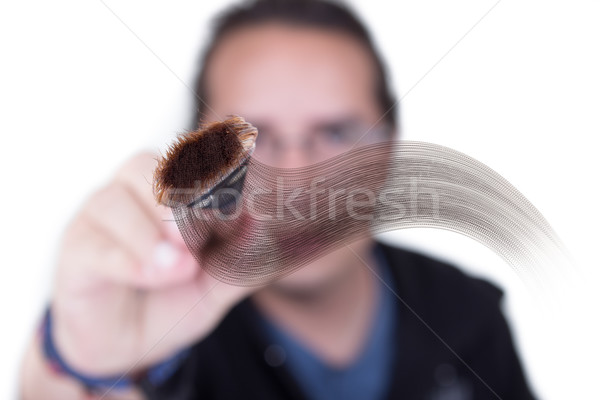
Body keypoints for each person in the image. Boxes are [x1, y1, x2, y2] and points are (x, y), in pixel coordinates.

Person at [19, 0, 536, 399]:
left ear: (390, 150)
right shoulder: (157, 330)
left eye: (336, 132)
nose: (295, 174)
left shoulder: (469, 313)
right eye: (251, 138)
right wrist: (88, 363)